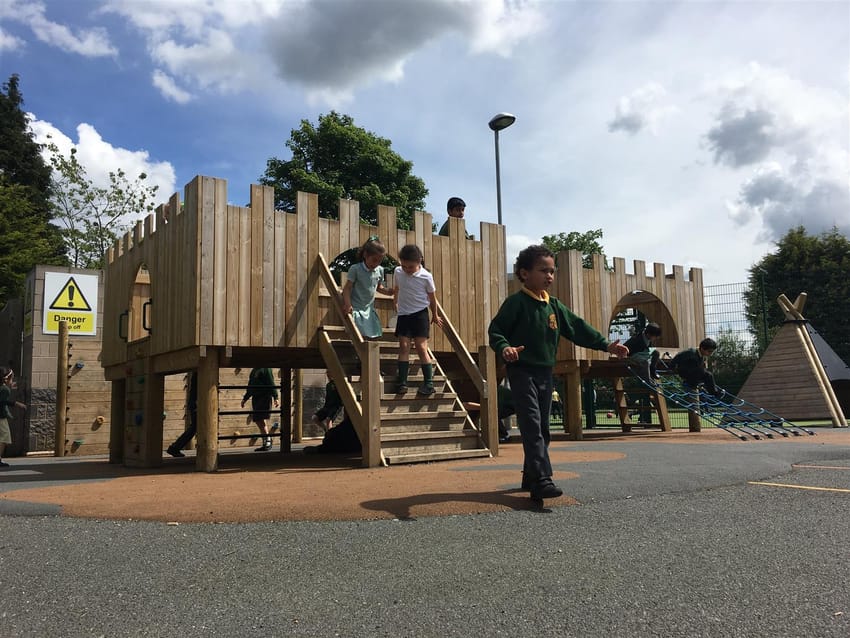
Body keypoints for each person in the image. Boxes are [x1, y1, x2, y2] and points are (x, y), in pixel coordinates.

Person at [488, 245, 629, 501]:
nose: (549, 276)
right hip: (522, 371)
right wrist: (504, 347)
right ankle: (542, 480)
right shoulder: (516, 303)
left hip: (545, 373)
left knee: (543, 428)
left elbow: (577, 327)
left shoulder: (553, 306)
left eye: (552, 271)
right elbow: (496, 330)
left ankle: (530, 475)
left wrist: (605, 344)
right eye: (543, 270)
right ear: (524, 273)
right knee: (531, 424)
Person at [392, 244, 443, 396]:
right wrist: (395, 301)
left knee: (421, 347)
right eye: (404, 266)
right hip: (404, 314)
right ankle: (402, 382)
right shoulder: (398, 271)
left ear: (419, 261)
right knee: (404, 346)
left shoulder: (426, 276)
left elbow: (432, 298)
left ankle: (429, 383)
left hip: (420, 314)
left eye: (411, 266)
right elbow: (397, 288)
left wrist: (434, 314)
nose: (407, 269)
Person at [342, 236, 393, 339]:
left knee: (373, 335)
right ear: (365, 255)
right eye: (374, 260)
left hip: (369, 309)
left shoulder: (379, 270)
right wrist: (348, 304)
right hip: (356, 308)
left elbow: (378, 287)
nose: (376, 263)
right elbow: (347, 288)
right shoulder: (356, 269)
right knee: (358, 334)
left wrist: (389, 292)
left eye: (379, 261)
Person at [241, 367, 280, 451]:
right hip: (256, 397)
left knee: (259, 418)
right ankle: (266, 441)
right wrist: (245, 398)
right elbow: (250, 385)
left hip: (264, 396)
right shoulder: (254, 370)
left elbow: (271, 382)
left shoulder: (266, 369)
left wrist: (275, 397)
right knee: (259, 419)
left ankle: (267, 440)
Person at [166, 371, 197, 457]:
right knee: (195, 427)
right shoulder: (199, 374)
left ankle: (175, 448)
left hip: (195, 402)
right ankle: (175, 447)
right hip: (196, 402)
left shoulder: (197, 375)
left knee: (195, 427)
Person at [0, 367, 25, 468]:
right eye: (11, 378)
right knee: (4, 438)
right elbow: (2, 402)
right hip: (1, 418)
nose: (12, 381)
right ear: (6, 379)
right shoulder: (5, 389)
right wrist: (16, 403)